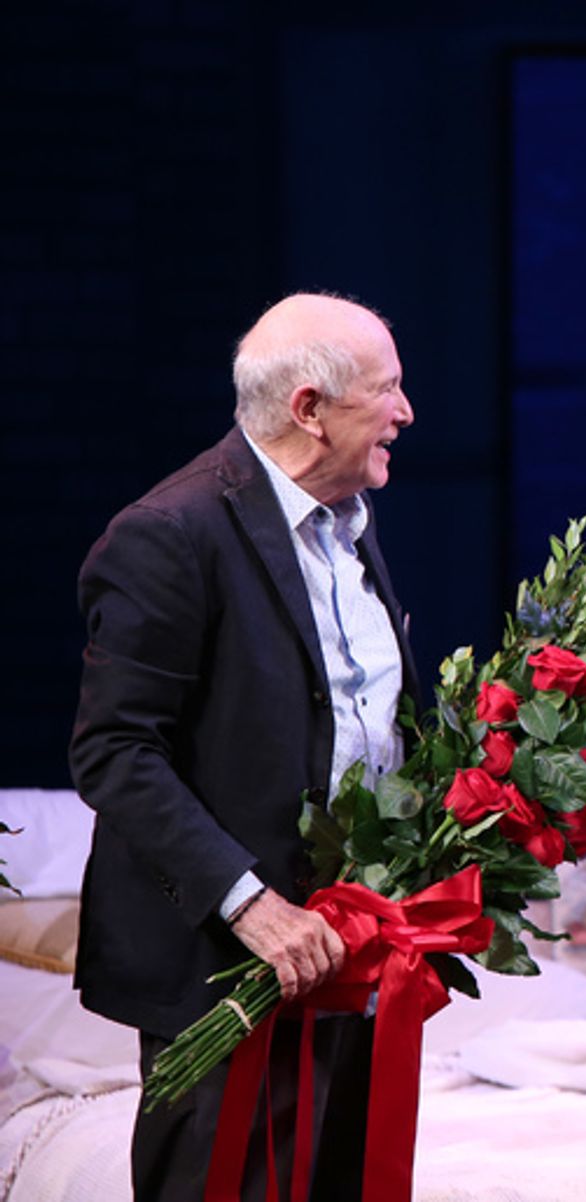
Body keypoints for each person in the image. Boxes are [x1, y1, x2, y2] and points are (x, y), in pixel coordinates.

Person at [69, 293, 419, 1201]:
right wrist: (250, 904)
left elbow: (358, 723)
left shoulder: (350, 527)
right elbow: (113, 750)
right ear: (310, 409)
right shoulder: (169, 535)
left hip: (352, 962)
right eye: (387, 390)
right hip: (222, 976)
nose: (406, 413)